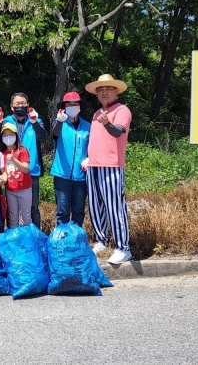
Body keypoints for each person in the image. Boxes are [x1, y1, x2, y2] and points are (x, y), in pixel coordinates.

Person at [84, 74, 133, 264]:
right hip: (94, 165)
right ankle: (101, 240)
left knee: (114, 206)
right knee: (96, 206)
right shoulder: (97, 113)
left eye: (108, 89)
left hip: (112, 165)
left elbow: (117, 132)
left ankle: (124, 247)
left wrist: (107, 123)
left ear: (116, 91)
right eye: (100, 90)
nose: (104, 92)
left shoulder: (122, 110)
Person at [0, 92, 46, 229]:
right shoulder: (6, 121)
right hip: (11, 170)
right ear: (11, 106)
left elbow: (42, 136)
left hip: (31, 169)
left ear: (28, 105)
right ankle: (13, 236)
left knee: (32, 207)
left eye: (23, 103)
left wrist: (35, 122)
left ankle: (34, 236)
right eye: (17, 104)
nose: (20, 106)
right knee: (12, 210)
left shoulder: (36, 120)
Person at [50, 91, 91, 227]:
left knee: (78, 210)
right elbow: (55, 134)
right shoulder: (60, 123)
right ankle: (63, 237)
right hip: (62, 175)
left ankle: (76, 237)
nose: (72, 106)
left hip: (81, 176)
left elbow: (93, 147)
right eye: (69, 104)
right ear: (64, 107)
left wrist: (90, 158)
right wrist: (60, 121)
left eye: (75, 104)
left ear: (80, 106)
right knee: (62, 211)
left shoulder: (87, 126)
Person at [0, 122, 33, 228]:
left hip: (24, 189)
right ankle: (14, 241)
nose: (8, 137)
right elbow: (4, 173)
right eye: (5, 135)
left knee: (26, 217)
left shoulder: (22, 150)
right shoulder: (3, 154)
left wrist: (14, 160)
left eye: (11, 134)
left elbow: (25, 169)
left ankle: (27, 240)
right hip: (10, 190)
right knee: (13, 217)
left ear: (16, 135)